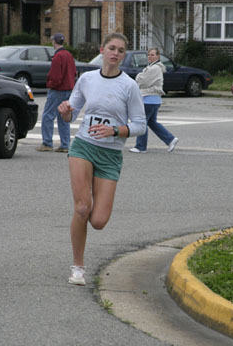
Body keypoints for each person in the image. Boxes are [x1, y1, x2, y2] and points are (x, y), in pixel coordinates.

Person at [58, 32, 146, 285]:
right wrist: (65, 110)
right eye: (111, 48)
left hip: (110, 154)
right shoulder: (87, 79)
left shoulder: (129, 86)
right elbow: (70, 114)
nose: (115, 54)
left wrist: (115, 130)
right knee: (82, 207)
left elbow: (140, 125)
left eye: (120, 50)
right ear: (102, 50)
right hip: (84, 146)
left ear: (123, 55)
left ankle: (82, 249)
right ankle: (78, 267)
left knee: (97, 221)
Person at [130, 47, 178, 153]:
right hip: (152, 100)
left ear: (158, 56)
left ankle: (140, 147)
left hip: (149, 99)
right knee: (152, 122)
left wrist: (139, 76)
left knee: (142, 123)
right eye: (148, 54)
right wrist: (141, 76)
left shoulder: (155, 68)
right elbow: (143, 80)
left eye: (152, 55)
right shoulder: (151, 67)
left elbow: (143, 81)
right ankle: (170, 139)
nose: (149, 56)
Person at [36, 33, 77, 153]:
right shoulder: (69, 55)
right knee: (63, 117)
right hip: (68, 89)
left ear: (54, 42)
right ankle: (65, 145)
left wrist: (50, 84)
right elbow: (74, 72)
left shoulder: (57, 56)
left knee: (48, 116)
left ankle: (47, 143)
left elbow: (55, 76)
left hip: (57, 90)